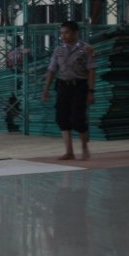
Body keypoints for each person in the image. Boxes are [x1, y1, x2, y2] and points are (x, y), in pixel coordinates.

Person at [41, 20, 97, 160]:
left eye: (67, 33)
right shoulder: (59, 50)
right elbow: (52, 70)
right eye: (62, 33)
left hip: (79, 85)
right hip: (63, 86)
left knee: (78, 117)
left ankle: (84, 148)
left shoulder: (86, 49)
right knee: (62, 117)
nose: (64, 36)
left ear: (75, 33)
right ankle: (69, 151)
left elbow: (91, 71)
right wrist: (46, 89)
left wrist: (91, 91)